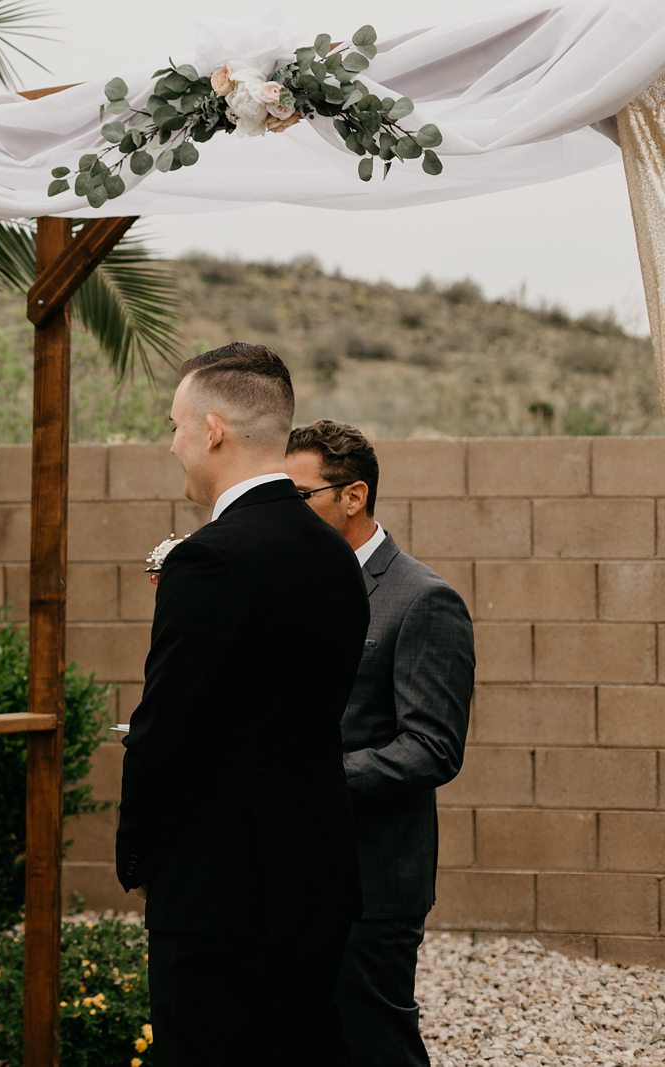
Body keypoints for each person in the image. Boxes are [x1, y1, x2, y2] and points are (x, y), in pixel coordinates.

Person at [116, 343, 368, 1064]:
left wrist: (139, 854)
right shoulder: (337, 556)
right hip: (315, 873)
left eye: (175, 425)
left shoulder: (209, 558)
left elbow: (167, 729)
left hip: (220, 891)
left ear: (213, 429)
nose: (173, 444)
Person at [286, 420, 474, 1066]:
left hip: (374, 877)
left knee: (375, 1045)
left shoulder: (423, 599)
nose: (286, 513)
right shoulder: (299, 586)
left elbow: (432, 746)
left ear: (353, 495)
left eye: (299, 495)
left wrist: (311, 777)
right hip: (294, 869)